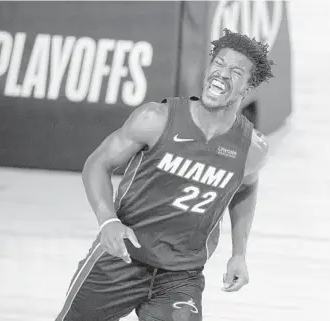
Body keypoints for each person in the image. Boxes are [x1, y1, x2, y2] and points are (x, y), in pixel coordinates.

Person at [55, 28, 273, 321]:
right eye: (218, 63)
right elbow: (97, 163)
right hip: (121, 258)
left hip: (181, 275)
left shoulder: (252, 149)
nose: (222, 74)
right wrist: (107, 221)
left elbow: (246, 187)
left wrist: (239, 253)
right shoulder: (155, 119)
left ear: (248, 86)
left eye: (235, 71)